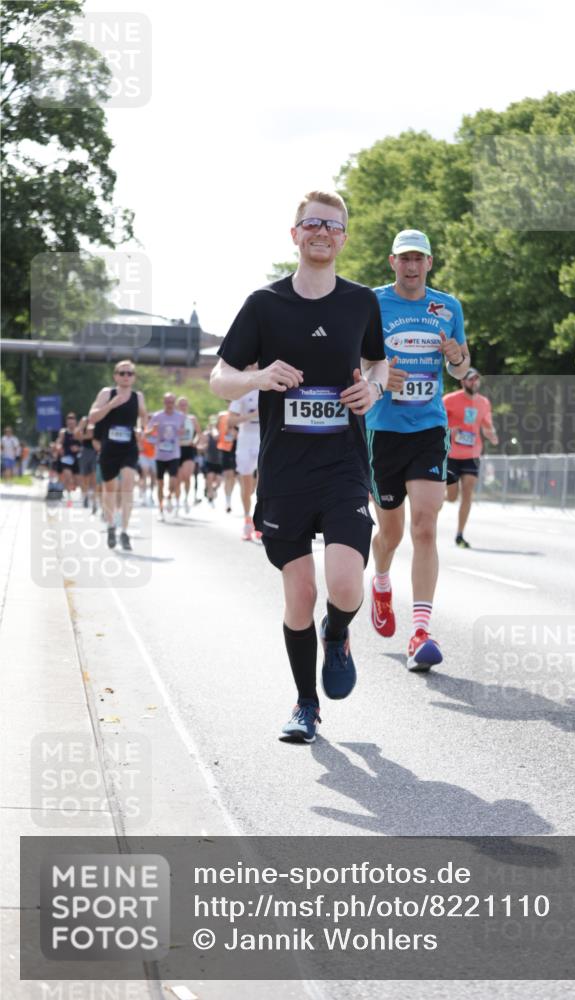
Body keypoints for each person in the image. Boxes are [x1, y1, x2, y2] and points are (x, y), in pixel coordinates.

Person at [210, 190, 387, 743]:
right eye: (312, 223)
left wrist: (374, 390)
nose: (322, 232)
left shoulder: (361, 302)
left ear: (344, 238)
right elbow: (219, 378)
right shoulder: (264, 304)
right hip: (284, 472)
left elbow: (378, 362)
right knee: (300, 595)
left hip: (344, 466)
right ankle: (306, 704)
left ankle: (338, 633)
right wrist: (259, 378)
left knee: (346, 586)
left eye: (332, 226)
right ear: (295, 234)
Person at [365, 229, 471, 672]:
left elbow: (462, 367)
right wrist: (377, 376)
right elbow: (354, 361)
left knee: (425, 526)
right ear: (393, 262)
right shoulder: (371, 303)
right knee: (390, 535)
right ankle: (381, 582)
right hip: (383, 430)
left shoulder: (448, 307)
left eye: (418, 259)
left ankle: (421, 632)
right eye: (404, 258)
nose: (411, 266)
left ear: (429, 263)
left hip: (428, 426)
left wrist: (456, 357)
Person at [88, 360, 147, 550]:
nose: (126, 377)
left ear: (134, 377)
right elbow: (92, 417)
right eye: (122, 373)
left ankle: (125, 531)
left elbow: (143, 416)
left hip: (129, 447)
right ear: (115, 376)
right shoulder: (107, 393)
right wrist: (110, 406)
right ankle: (111, 526)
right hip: (109, 447)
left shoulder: (138, 397)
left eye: (130, 373)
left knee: (128, 485)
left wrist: (142, 430)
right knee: (110, 489)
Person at [444, 368, 498, 547]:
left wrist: (492, 435)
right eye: (470, 379)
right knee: (452, 497)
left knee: (468, 492)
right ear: (463, 382)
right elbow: (437, 423)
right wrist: (450, 430)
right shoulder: (449, 400)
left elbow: (487, 425)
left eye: (476, 379)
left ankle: (460, 534)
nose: (474, 382)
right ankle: (438, 499)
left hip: (472, 454)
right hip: (451, 454)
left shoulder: (484, 402)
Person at [228, 370, 261, 540]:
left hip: (263, 438)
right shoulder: (240, 392)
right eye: (251, 365)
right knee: (246, 484)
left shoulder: (269, 388)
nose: (254, 368)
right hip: (246, 439)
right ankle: (248, 520)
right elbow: (230, 421)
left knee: (264, 484)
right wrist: (252, 415)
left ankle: (261, 520)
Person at [147, 393, 185, 520]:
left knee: (173, 482)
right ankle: (160, 509)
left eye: (172, 402)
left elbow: (183, 430)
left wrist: (182, 432)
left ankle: (169, 497)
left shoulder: (180, 416)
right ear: (164, 402)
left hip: (174, 454)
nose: (170, 404)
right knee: (160, 483)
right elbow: (147, 433)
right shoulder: (157, 416)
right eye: (167, 402)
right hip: (160, 454)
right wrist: (153, 430)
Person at [176, 396, 201, 513]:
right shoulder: (174, 418)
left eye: (185, 404)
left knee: (187, 476)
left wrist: (195, 441)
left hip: (189, 449)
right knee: (178, 478)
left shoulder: (192, 419)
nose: (183, 406)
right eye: (181, 404)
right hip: (177, 450)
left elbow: (199, 434)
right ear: (177, 406)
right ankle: (177, 501)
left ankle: (186, 499)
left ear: (188, 406)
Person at [216, 408, 238, 511]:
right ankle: (228, 501)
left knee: (233, 477)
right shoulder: (222, 415)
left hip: (238, 448)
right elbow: (215, 429)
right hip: (225, 448)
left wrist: (236, 434)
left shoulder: (241, 414)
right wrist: (216, 434)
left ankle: (230, 496)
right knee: (228, 475)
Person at [77, 416, 98, 511]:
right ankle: (85, 496)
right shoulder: (85, 421)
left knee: (94, 478)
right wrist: (81, 428)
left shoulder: (99, 421)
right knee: (85, 478)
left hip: (96, 452)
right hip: (85, 451)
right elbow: (77, 435)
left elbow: (92, 435)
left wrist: (86, 435)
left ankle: (94, 501)